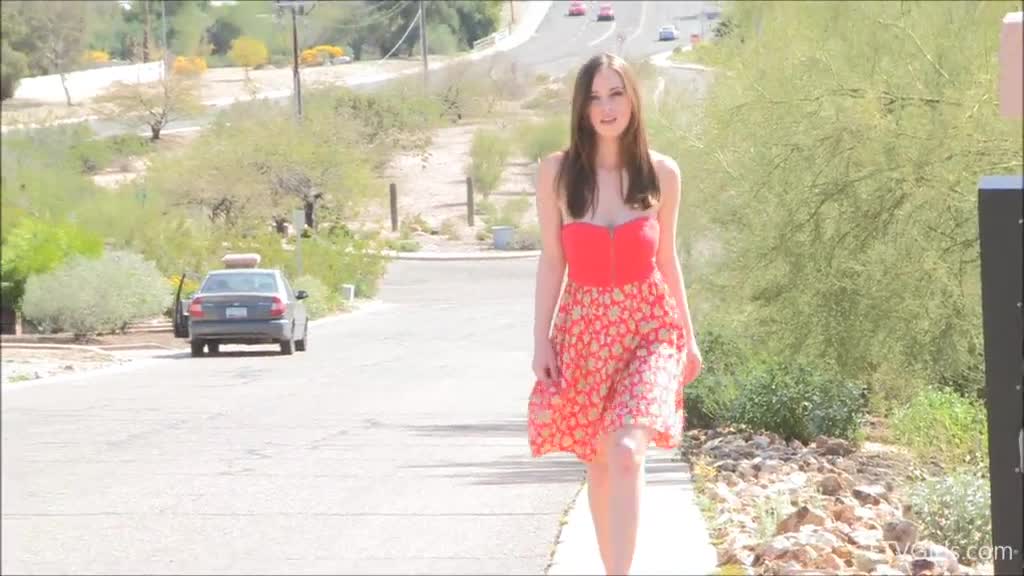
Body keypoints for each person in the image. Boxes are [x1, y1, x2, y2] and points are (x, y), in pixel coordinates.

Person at [527, 52, 703, 576]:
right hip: (584, 329)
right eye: (595, 98)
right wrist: (541, 340)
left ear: (633, 99)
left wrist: (689, 338)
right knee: (601, 461)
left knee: (626, 451)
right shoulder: (557, 173)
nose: (607, 107)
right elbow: (552, 260)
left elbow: (667, 259)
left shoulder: (662, 173)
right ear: (582, 109)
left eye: (616, 94)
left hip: (650, 327)